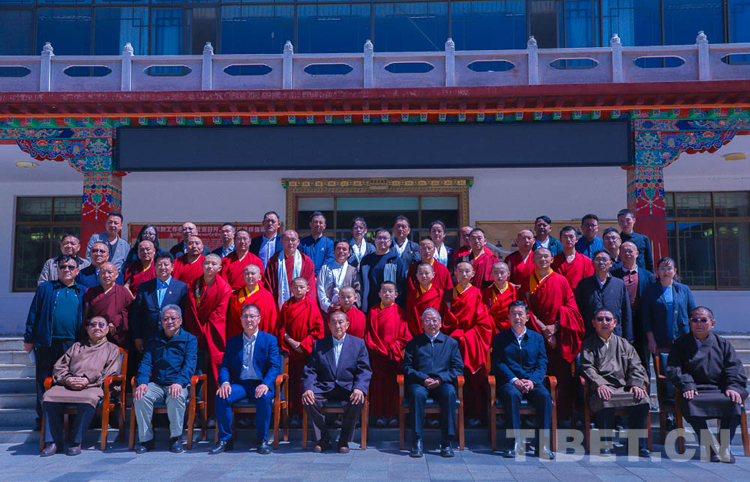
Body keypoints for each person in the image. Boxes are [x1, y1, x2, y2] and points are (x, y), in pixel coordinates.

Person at [667, 306, 748, 464]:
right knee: (689, 402)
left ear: (712, 323)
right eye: (695, 320)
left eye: (703, 320)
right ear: (689, 322)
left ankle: (725, 446)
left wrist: (733, 387)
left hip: (720, 389)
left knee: (734, 401)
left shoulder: (722, 344)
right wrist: (687, 385)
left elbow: (733, 367)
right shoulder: (680, 344)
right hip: (695, 389)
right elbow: (675, 368)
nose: (699, 323)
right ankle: (709, 445)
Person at [39, 316, 122, 457]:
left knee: (89, 398)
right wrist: (67, 379)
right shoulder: (77, 346)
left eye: (101, 325)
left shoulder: (112, 349)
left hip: (93, 386)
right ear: (87, 329)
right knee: (49, 396)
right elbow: (59, 367)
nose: (97, 327)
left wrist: (87, 380)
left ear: (107, 329)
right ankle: (53, 442)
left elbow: (111, 373)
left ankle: (76, 442)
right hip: (69, 384)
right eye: (93, 325)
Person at [209, 304, 280, 455]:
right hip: (240, 384)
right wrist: (225, 382)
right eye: (245, 316)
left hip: (259, 383)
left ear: (259, 319)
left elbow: (274, 367)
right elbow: (225, 366)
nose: (249, 319)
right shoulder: (233, 342)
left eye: (252, 316)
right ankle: (225, 440)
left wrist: (266, 384)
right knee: (222, 396)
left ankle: (262, 440)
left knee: (264, 397)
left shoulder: (269, 340)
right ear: (241, 319)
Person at [24, 255, 86, 426]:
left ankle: (68, 420)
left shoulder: (82, 291)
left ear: (77, 271)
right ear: (57, 270)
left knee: (69, 380)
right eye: (63, 267)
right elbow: (34, 312)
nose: (66, 270)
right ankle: (43, 420)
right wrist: (29, 338)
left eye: (71, 267)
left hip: (72, 344)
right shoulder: (46, 288)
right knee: (44, 380)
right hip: (47, 342)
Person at [580, 309, 651, 458]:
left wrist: (636, 384)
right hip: (601, 388)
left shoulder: (624, 344)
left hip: (624, 387)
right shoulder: (588, 344)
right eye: (600, 319)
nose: (604, 322)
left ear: (615, 323)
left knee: (642, 398)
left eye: (608, 319)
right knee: (605, 397)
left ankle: (637, 445)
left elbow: (637, 366)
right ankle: (605, 443)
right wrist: (600, 384)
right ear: (594, 323)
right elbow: (587, 367)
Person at [526, 247, 584, 422]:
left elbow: (572, 309)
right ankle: (535, 417)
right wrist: (544, 330)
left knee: (561, 378)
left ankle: (561, 416)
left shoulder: (561, 281)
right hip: (535, 336)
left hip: (559, 338)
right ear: (533, 260)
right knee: (535, 375)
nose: (543, 259)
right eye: (539, 256)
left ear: (552, 260)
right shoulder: (527, 281)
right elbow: (526, 310)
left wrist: (555, 328)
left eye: (546, 257)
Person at [302, 310, 373, 453]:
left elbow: (364, 370)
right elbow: (310, 369)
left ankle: (344, 439)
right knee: (308, 400)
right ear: (328, 325)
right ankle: (324, 438)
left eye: (341, 322)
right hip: (325, 387)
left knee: (358, 400)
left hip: (347, 387)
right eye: (333, 322)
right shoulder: (320, 344)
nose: (337, 326)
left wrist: (359, 388)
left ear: (347, 324)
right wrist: (308, 388)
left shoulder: (358, 344)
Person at [492, 301, 553, 460]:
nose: (517, 317)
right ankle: (515, 443)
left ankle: (543, 444)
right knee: (512, 395)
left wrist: (532, 381)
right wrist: (514, 380)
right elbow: (498, 363)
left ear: (527, 317)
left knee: (545, 396)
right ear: (508, 317)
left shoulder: (537, 338)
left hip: (532, 381)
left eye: (520, 314)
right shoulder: (500, 338)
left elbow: (542, 362)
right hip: (510, 382)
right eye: (513, 314)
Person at [133, 305, 198, 454]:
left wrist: (179, 382)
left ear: (180, 320)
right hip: (157, 383)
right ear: (161, 321)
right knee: (141, 396)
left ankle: (175, 438)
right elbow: (146, 363)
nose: (169, 322)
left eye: (173, 318)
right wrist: (142, 382)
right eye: (165, 319)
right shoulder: (154, 339)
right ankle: (146, 440)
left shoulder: (189, 339)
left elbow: (189, 365)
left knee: (176, 396)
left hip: (177, 383)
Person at [402, 308, 463, 458]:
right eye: (427, 320)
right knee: (417, 393)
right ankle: (417, 440)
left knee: (450, 393)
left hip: (442, 382)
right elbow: (407, 367)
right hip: (420, 382)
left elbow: (458, 368)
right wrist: (423, 378)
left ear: (440, 323)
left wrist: (440, 379)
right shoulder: (414, 343)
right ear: (422, 324)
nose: (431, 323)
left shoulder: (450, 343)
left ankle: (446, 442)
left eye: (434, 320)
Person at [442, 262, 493, 427]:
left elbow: (484, 323)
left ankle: (474, 415)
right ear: (455, 274)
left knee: (473, 379)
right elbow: (445, 320)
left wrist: (466, 337)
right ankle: (451, 418)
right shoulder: (448, 294)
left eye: (467, 271)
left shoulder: (477, 294)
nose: (464, 274)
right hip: (453, 342)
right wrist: (456, 335)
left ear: (473, 274)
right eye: (460, 271)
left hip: (471, 342)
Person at [184, 254, 233, 416]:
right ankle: (195, 415)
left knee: (215, 372)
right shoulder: (193, 284)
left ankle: (213, 413)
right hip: (194, 335)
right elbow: (189, 312)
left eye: (214, 264)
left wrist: (201, 332)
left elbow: (219, 315)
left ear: (220, 268)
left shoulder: (224, 288)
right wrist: (196, 332)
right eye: (207, 263)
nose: (209, 266)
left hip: (213, 336)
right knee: (194, 374)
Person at [277, 277, 324, 425]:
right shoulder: (286, 306)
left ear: (308, 289)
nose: (298, 290)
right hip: (291, 353)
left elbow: (318, 330)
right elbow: (280, 329)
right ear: (291, 289)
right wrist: (292, 342)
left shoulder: (312, 306)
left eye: (301, 287)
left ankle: (307, 416)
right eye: (295, 287)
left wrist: (302, 344)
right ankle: (293, 415)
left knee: (307, 383)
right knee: (291, 384)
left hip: (307, 353)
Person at [365, 281, 411, 428]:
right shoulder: (373, 311)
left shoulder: (400, 311)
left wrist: (394, 348)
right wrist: (379, 349)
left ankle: (393, 415)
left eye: (390, 291)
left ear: (396, 295)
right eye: (384, 291)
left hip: (393, 356)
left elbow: (404, 335)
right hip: (377, 356)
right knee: (378, 386)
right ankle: (379, 415)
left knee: (393, 387)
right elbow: (370, 334)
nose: (387, 294)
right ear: (379, 294)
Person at [130, 252, 188, 354]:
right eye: (159, 265)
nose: (163, 268)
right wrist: (137, 336)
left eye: (166, 265)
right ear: (154, 267)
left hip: (172, 337)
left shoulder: (181, 287)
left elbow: (185, 314)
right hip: (148, 337)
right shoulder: (144, 287)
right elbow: (137, 314)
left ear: (172, 267)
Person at [611, 241, 654, 380]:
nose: (627, 254)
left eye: (630, 251)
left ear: (637, 254)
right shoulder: (613, 275)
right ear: (619, 254)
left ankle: (645, 390)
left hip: (642, 321)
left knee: (643, 360)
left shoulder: (648, 276)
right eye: (624, 251)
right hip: (621, 322)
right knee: (621, 358)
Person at [575, 250, 633, 343]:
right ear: (592, 263)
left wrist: (628, 340)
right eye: (598, 259)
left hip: (615, 337)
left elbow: (626, 313)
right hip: (590, 337)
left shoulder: (619, 284)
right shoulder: (583, 284)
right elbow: (578, 312)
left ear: (611, 263)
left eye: (605, 259)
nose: (601, 262)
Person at [643, 257, 697, 354]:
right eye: (662, 269)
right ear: (657, 271)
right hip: (660, 339)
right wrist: (651, 339)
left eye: (669, 268)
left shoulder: (684, 289)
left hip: (682, 336)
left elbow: (692, 314)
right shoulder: (650, 291)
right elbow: (646, 318)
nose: (666, 272)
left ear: (675, 271)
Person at [83, 262, 133, 348]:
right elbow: (86, 315)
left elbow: (132, 313)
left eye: (110, 272)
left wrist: (116, 320)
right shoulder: (91, 292)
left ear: (116, 274)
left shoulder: (123, 292)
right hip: (96, 335)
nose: (106, 275)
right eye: (103, 272)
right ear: (99, 275)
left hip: (117, 335)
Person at [264, 229, 317, 310]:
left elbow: (310, 286)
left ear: (298, 242)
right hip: (278, 306)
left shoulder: (306, 261)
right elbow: (269, 286)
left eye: (293, 240)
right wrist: (271, 304)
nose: (290, 243)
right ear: (282, 242)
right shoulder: (273, 261)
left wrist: (308, 306)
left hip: (302, 306)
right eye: (287, 240)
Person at [359, 228, 408, 312]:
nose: (382, 240)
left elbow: (401, 285)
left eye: (385, 238)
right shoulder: (366, 260)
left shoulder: (396, 260)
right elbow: (361, 284)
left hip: (390, 306)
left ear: (390, 241)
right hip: (370, 304)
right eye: (379, 238)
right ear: (375, 240)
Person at [227, 264, 277, 340]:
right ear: (243, 277)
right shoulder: (235, 295)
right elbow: (232, 321)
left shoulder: (267, 296)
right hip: (239, 336)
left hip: (260, 337)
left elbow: (272, 319)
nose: (250, 276)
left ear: (260, 277)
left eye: (253, 273)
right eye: (247, 274)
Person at [317, 240, 362, 313]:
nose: (341, 251)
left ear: (349, 253)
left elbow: (357, 291)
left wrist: (349, 307)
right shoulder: (325, 268)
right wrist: (328, 305)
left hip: (347, 311)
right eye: (338, 248)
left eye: (344, 249)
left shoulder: (353, 271)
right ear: (334, 252)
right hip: (328, 310)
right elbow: (320, 288)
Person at [405, 263, 445, 337]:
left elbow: (443, 315)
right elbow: (410, 316)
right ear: (417, 276)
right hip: (417, 334)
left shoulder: (439, 294)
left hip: (436, 332)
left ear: (433, 275)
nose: (424, 276)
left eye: (426, 273)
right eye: (421, 273)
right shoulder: (412, 294)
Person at [482, 262, 522, 333]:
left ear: (508, 274)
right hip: (493, 328)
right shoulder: (487, 293)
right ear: (491, 274)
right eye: (496, 273)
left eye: (502, 272)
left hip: (513, 327)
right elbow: (485, 313)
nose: (499, 276)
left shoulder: (515, 291)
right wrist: (494, 328)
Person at [551, 226, 594, 292]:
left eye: (571, 237)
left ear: (576, 239)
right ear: (560, 240)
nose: (568, 240)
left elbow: (590, 283)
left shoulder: (586, 261)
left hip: (580, 296)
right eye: (565, 237)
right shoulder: (554, 261)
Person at [300, 212, 335, 276]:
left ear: (324, 226)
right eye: (315, 222)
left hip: (322, 277)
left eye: (321, 222)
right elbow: (300, 259)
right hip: (306, 276)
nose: (318, 224)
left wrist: (318, 275)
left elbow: (329, 261)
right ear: (310, 224)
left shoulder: (329, 243)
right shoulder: (302, 242)